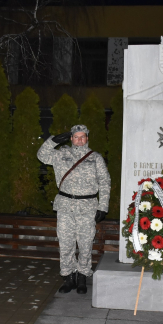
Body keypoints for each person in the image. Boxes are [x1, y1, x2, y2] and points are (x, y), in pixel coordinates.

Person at [37, 125, 111, 294]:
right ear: (71, 139)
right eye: (76, 137)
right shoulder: (61, 155)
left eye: (82, 137)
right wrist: (53, 141)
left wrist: (103, 206)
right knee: (66, 244)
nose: (79, 140)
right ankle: (68, 277)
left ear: (87, 138)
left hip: (87, 207)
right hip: (65, 206)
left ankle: (82, 276)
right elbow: (42, 156)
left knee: (85, 243)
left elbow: (105, 182)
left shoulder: (95, 158)